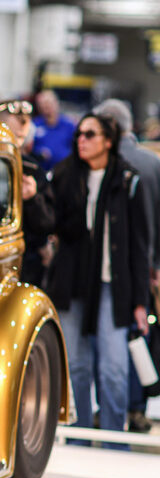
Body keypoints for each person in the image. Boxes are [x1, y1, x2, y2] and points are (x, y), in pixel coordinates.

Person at [46, 112, 150, 437]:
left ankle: (113, 438)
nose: (82, 140)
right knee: (75, 363)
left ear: (108, 141)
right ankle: (78, 434)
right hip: (73, 283)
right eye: (79, 134)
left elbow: (138, 245)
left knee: (113, 368)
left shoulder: (127, 180)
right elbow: (51, 224)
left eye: (90, 134)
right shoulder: (64, 176)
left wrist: (140, 302)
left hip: (112, 286)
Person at [94, 98, 160, 432]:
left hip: (113, 265)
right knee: (140, 334)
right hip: (147, 266)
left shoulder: (104, 162)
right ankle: (137, 407)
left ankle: (109, 411)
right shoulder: (152, 163)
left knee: (108, 342)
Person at [0, 99, 55, 287]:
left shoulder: (32, 169)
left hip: (25, 264)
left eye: (20, 137)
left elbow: (48, 223)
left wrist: (33, 199)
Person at [32, 90, 77, 171]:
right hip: (42, 170)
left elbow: (75, 146)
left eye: (48, 104)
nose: (46, 107)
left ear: (56, 103)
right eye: (43, 104)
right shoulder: (34, 125)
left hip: (65, 171)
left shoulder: (68, 125)